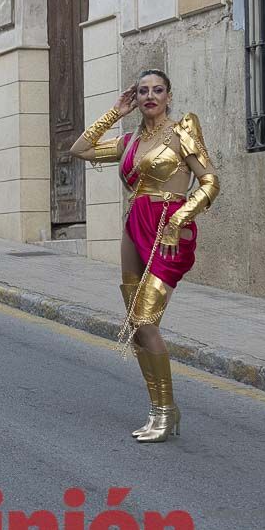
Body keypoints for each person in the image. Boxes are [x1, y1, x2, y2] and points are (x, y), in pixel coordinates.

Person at [69, 69, 221, 443]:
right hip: (135, 225)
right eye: (142, 91)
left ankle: (167, 411)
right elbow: (80, 150)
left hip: (170, 229)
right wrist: (114, 113)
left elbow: (210, 182)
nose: (150, 96)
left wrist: (179, 219)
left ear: (169, 95)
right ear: (134, 97)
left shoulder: (182, 132)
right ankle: (158, 409)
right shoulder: (130, 140)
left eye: (157, 90)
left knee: (145, 318)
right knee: (136, 325)